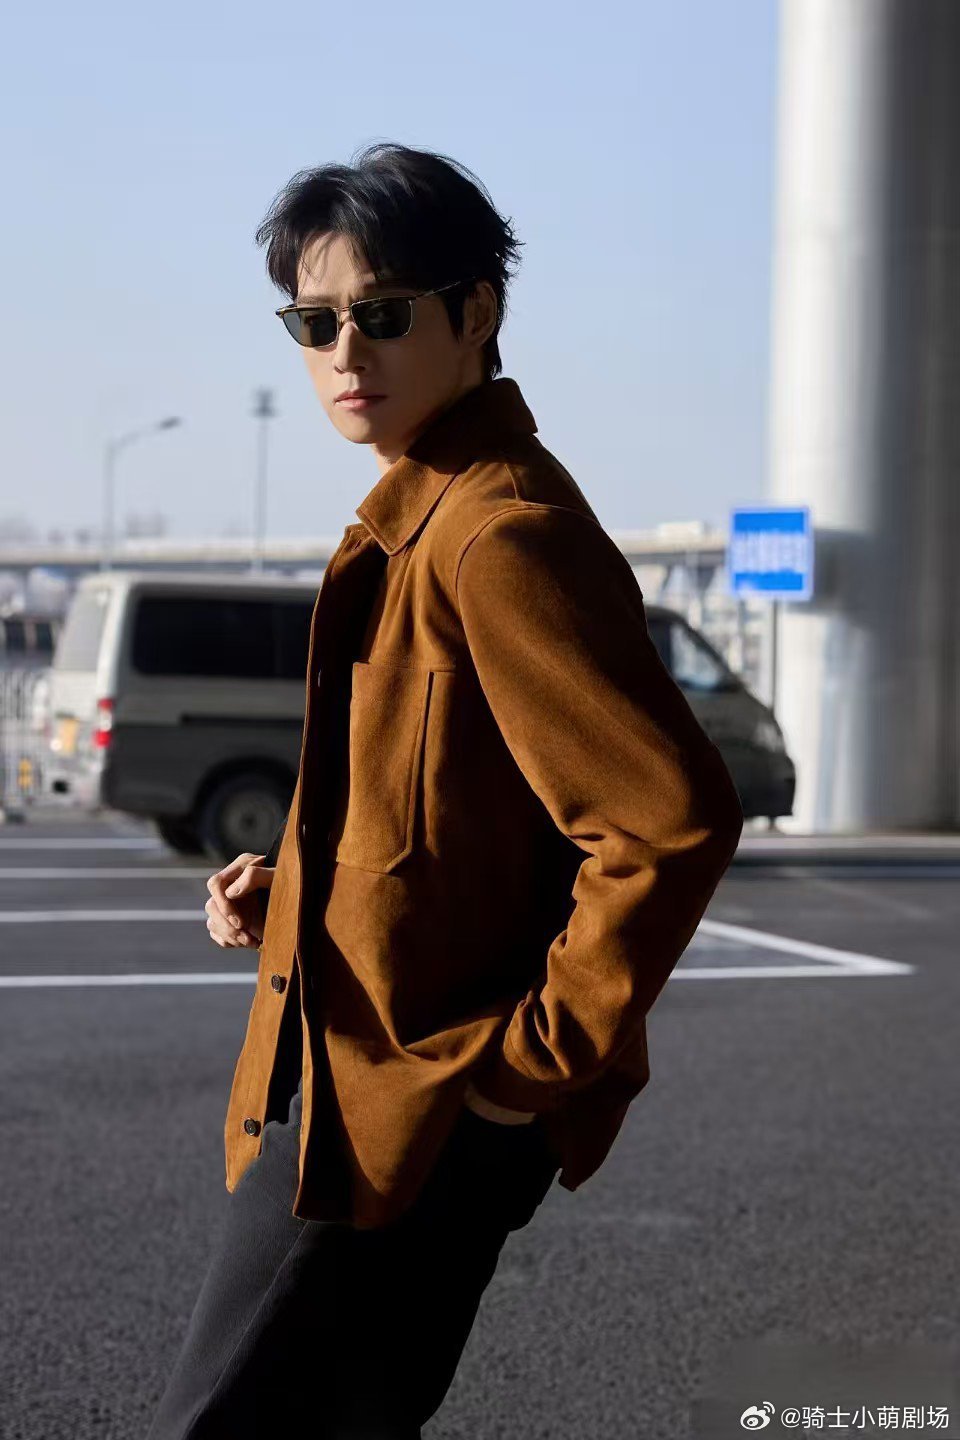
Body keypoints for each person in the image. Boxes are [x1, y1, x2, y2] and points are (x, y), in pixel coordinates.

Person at [146, 140, 744, 1440]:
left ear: (476, 312)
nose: (343, 351)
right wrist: (291, 891)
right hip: (364, 1086)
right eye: (312, 322)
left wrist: (522, 1073)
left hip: (408, 1103)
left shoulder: (497, 534)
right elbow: (459, 815)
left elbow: (665, 822)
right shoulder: (421, 518)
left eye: (382, 313)